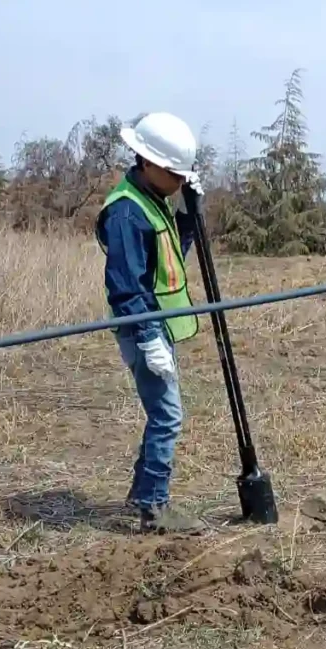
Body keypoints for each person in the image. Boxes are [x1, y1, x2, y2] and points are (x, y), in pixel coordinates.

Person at [96, 112, 206, 533]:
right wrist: (148, 338)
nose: (179, 181)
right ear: (147, 162)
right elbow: (127, 286)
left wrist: (190, 214)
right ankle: (154, 509)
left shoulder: (154, 200)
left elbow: (171, 255)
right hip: (144, 326)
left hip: (157, 324)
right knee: (167, 416)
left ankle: (142, 493)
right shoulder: (127, 212)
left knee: (162, 412)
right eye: (174, 173)